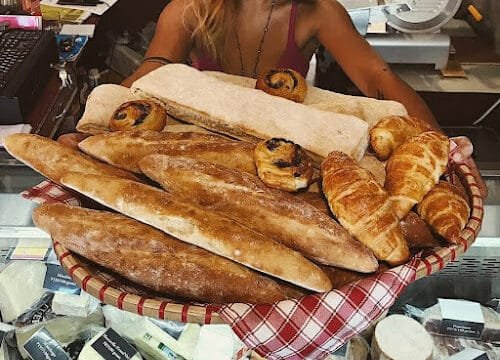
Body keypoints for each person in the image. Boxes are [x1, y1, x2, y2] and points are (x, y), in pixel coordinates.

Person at [63, 0, 488, 198]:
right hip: (207, 146)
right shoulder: (190, 9)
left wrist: (437, 144)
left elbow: (378, 79)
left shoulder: (318, 11)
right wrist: (93, 131)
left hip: (288, 157)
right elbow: (154, 66)